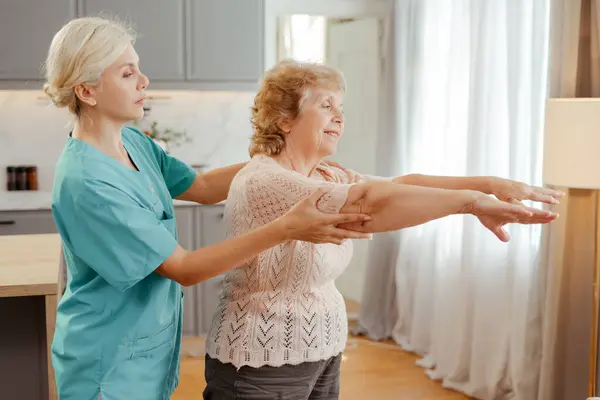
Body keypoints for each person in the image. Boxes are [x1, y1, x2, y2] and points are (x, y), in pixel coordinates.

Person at [44, 18, 374, 400]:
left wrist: (286, 164)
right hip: (108, 361)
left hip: (148, 350)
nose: (144, 81)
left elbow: (199, 187)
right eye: (127, 72)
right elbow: (184, 268)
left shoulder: (132, 143)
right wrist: (287, 227)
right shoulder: (88, 183)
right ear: (87, 90)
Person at [202, 60, 563, 399]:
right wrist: (469, 203)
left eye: (341, 108)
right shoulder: (267, 180)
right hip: (262, 357)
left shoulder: (326, 174)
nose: (340, 117)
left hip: (320, 347)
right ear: (284, 119)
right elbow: (370, 203)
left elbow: (403, 183)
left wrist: (488, 184)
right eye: (327, 106)